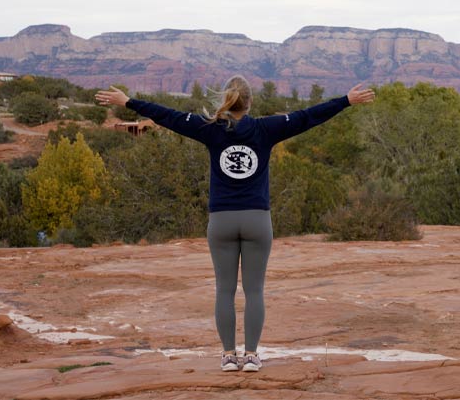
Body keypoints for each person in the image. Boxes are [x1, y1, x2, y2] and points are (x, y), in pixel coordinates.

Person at [95, 76, 375, 372]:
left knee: (224, 290)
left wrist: (127, 102)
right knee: (254, 291)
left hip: (221, 220)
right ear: (250, 102)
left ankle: (229, 355)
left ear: (227, 100)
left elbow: (169, 116)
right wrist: (346, 100)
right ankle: (252, 356)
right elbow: (309, 116)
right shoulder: (267, 128)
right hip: (257, 219)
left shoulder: (209, 128)